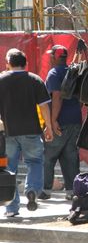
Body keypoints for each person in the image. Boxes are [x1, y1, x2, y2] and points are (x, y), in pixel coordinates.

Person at [0, 48, 53, 217]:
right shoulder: (35, 80)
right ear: (26, 63)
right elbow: (44, 105)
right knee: (35, 162)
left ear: (8, 63)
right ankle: (32, 190)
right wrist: (49, 127)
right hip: (32, 131)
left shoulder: (1, 80)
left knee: (9, 169)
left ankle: (11, 208)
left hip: (7, 132)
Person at [42, 45, 82, 200]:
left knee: (48, 156)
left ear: (54, 57)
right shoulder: (73, 72)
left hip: (60, 122)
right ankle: (72, 192)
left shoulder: (54, 73)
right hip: (75, 120)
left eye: (50, 56)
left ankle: (45, 190)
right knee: (70, 157)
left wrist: (51, 122)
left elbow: (57, 97)